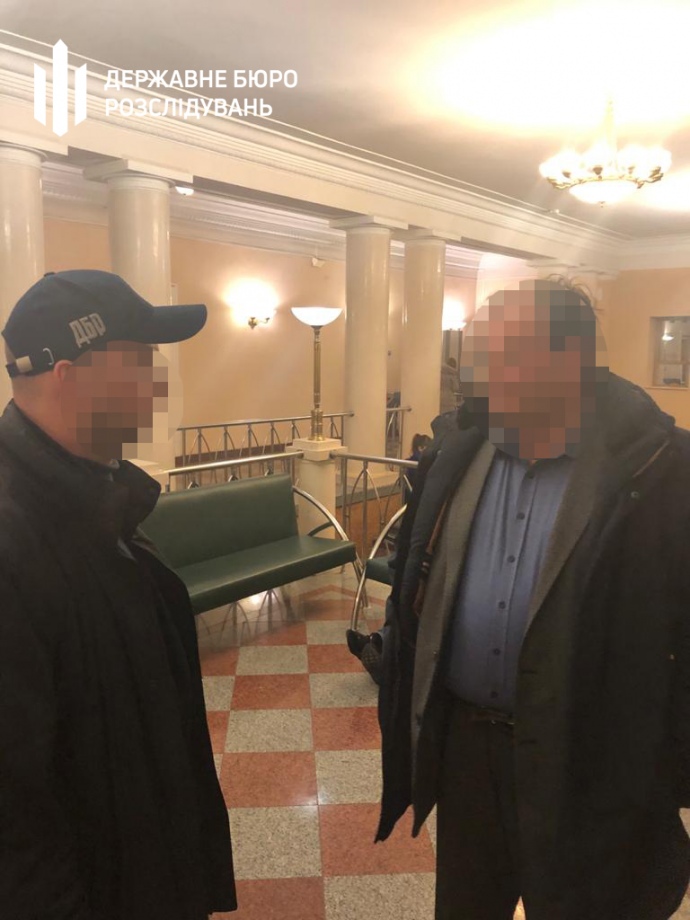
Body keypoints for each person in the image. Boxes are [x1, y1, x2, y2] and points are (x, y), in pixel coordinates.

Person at [377, 278, 690, 920]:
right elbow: (416, 577)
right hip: (466, 751)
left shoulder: (663, 470)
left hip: (590, 761)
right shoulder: (455, 452)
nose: (477, 375)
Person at [0, 270, 236, 920]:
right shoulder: (16, 539)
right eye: (140, 362)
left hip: (149, 866)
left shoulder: (98, 497)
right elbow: (14, 815)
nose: (158, 385)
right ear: (69, 376)